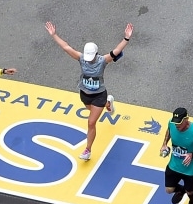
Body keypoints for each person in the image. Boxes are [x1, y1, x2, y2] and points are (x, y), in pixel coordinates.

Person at [45, 21, 134, 161]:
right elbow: (66, 47)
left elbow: (116, 51)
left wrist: (126, 38)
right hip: (84, 95)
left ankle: (87, 150)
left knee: (91, 122)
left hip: (99, 95)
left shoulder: (103, 60)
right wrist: (54, 35)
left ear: (96, 54)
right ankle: (108, 104)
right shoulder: (81, 59)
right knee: (92, 113)